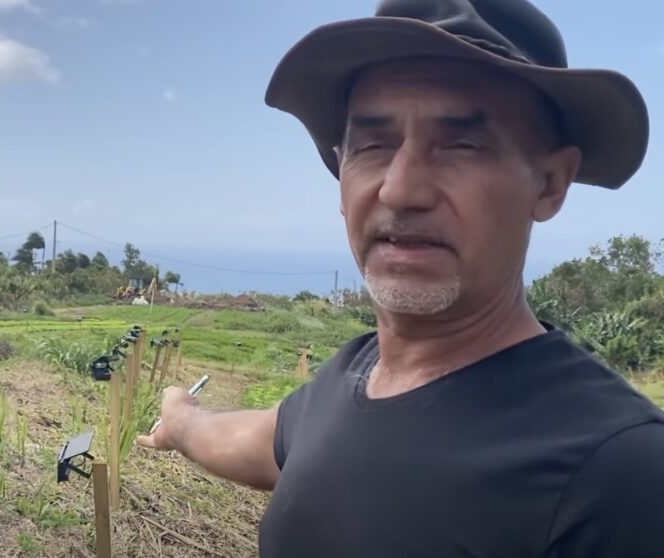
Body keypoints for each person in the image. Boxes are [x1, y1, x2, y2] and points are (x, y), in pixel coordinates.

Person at [136, 1, 664, 556]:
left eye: (462, 143)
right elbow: (264, 440)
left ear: (550, 184)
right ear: (342, 174)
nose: (400, 189)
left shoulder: (619, 473)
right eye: (373, 145)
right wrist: (183, 423)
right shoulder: (351, 377)